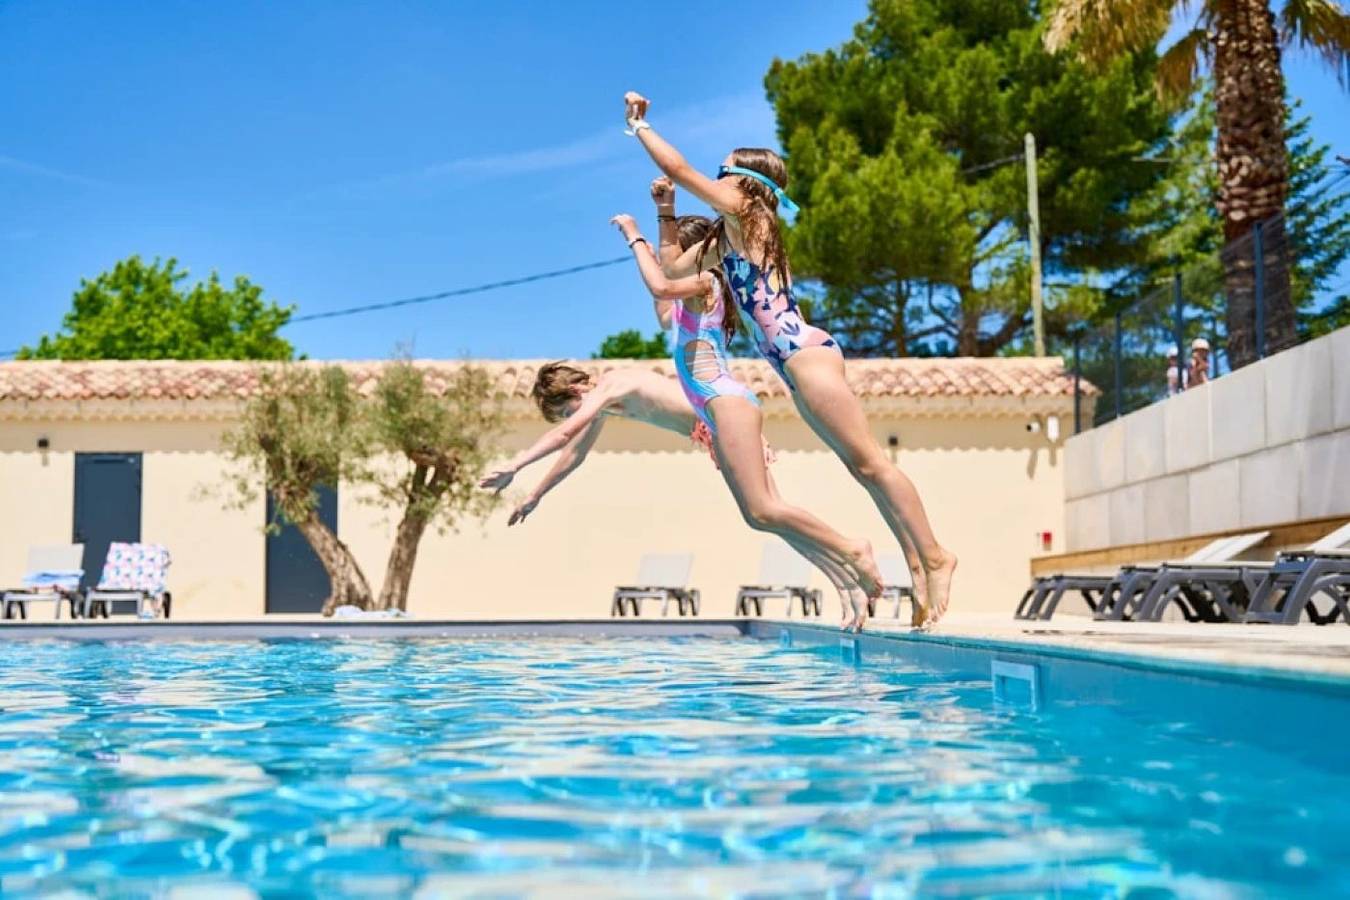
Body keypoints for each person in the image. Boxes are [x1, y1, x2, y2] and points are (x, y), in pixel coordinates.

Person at [622, 90, 957, 628]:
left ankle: (935, 556)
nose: (716, 179)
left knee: (870, 461)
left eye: (723, 172)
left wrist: (640, 127)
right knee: (860, 467)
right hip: (794, 369)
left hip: (806, 357)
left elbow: (679, 167)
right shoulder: (725, 243)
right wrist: (664, 214)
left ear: (747, 183)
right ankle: (917, 564)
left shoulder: (751, 216)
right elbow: (670, 276)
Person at [479, 213, 879, 628]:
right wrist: (536, 495)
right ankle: (848, 584)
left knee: (765, 510)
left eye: (567, 409)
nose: (571, 417)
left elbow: (567, 433)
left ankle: (853, 548)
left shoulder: (615, 383)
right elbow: (572, 454)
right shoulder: (631, 374)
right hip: (714, 425)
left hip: (727, 409)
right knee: (767, 517)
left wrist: (516, 464)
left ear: (577, 389)